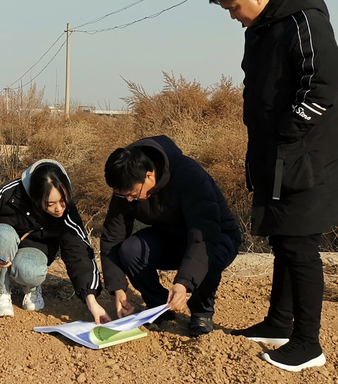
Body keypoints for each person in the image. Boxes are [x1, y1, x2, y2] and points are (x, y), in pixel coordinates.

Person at [208, 0, 338, 372]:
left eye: (234, 8)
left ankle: (308, 344)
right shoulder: (261, 27)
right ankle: (278, 324)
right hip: (277, 153)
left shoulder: (304, 19)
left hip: (309, 155)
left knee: (300, 245)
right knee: (283, 239)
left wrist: (288, 130)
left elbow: (322, 83)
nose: (234, 17)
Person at [100, 137, 242, 337]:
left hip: (216, 237)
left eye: (133, 194)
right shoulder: (127, 184)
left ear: (149, 176)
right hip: (170, 237)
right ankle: (159, 306)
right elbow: (112, 238)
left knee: (210, 255)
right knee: (131, 250)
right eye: (125, 196)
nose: (129, 199)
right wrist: (118, 288)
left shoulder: (189, 176)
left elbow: (203, 236)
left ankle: (201, 312)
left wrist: (183, 282)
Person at [0, 160, 107, 320]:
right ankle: (0, 291)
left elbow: (79, 250)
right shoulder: (11, 193)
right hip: (2, 241)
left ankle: (32, 287)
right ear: (36, 198)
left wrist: (91, 299)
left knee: (31, 272)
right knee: (3, 234)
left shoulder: (67, 212)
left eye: (63, 201)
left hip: (35, 248)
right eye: (51, 203)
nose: (59, 209)